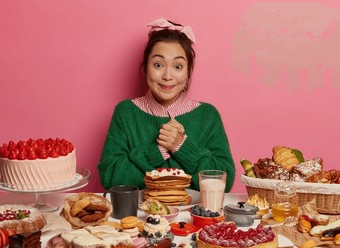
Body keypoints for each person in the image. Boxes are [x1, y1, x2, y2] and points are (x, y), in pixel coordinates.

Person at [98, 18, 236, 192]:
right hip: (140, 216)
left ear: (188, 72)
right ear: (145, 68)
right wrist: (158, 150)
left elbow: (226, 180)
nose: (168, 76)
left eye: (178, 66)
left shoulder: (208, 115)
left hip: (195, 216)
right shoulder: (126, 112)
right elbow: (110, 177)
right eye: (158, 65)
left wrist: (181, 146)